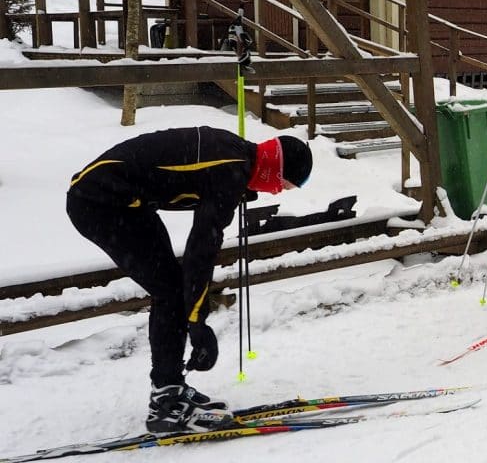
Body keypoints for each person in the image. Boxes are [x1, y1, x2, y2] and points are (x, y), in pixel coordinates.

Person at [66, 126, 313, 433]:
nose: (277, 192)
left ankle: (170, 389)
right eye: (282, 185)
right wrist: (198, 323)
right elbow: (201, 251)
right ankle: (167, 404)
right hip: (99, 203)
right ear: (272, 170)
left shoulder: (235, 157)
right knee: (170, 291)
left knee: (170, 287)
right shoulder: (230, 173)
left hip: (126, 202)